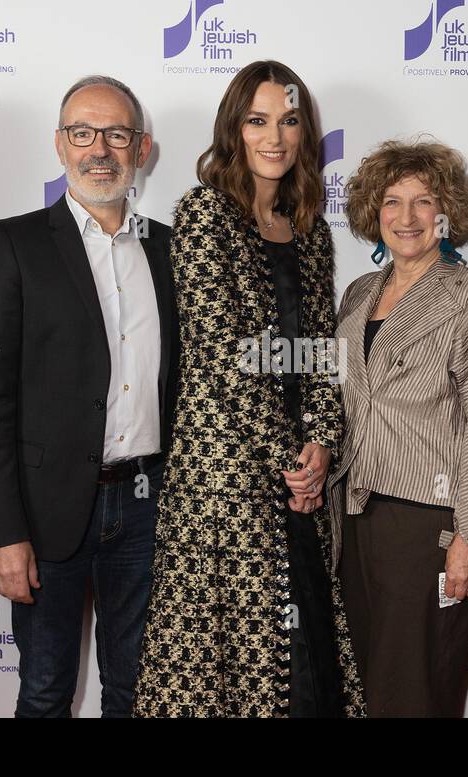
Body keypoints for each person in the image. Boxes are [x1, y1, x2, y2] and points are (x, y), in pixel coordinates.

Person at [134, 60, 364, 717]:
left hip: (297, 484)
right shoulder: (205, 214)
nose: (274, 136)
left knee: (305, 669)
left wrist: (321, 441)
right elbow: (223, 354)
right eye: (258, 120)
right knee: (227, 678)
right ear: (234, 129)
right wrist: (292, 462)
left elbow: (323, 349)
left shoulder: (311, 229)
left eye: (289, 121)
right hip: (223, 485)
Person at [0, 75, 177, 718]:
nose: (100, 149)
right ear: (60, 145)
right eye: (83, 133)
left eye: (117, 134)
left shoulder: (169, 248)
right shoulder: (14, 242)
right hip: (45, 509)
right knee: (45, 691)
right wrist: (3, 532)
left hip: (149, 507)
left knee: (139, 693)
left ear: (141, 148)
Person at [331, 139, 468, 717]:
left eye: (423, 201)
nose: (405, 218)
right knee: (369, 687)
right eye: (391, 201)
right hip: (357, 515)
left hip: (429, 521)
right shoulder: (360, 294)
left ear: (446, 212)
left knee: (414, 691)